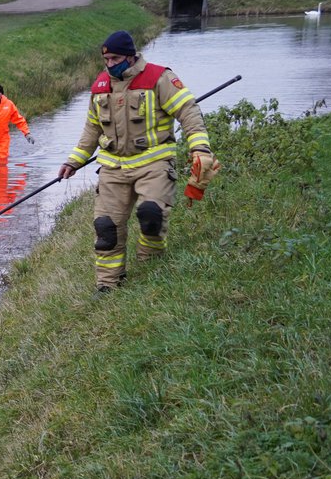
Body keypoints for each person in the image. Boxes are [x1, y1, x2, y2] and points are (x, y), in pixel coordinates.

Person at [55, 30, 219, 292]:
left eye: (115, 59)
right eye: (106, 60)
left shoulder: (159, 78)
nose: (110, 65)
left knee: (151, 216)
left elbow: (188, 111)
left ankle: (150, 268)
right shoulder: (101, 86)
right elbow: (92, 128)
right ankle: (108, 285)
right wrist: (74, 161)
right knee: (106, 228)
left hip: (154, 163)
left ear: (130, 57)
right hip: (113, 168)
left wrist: (200, 148)